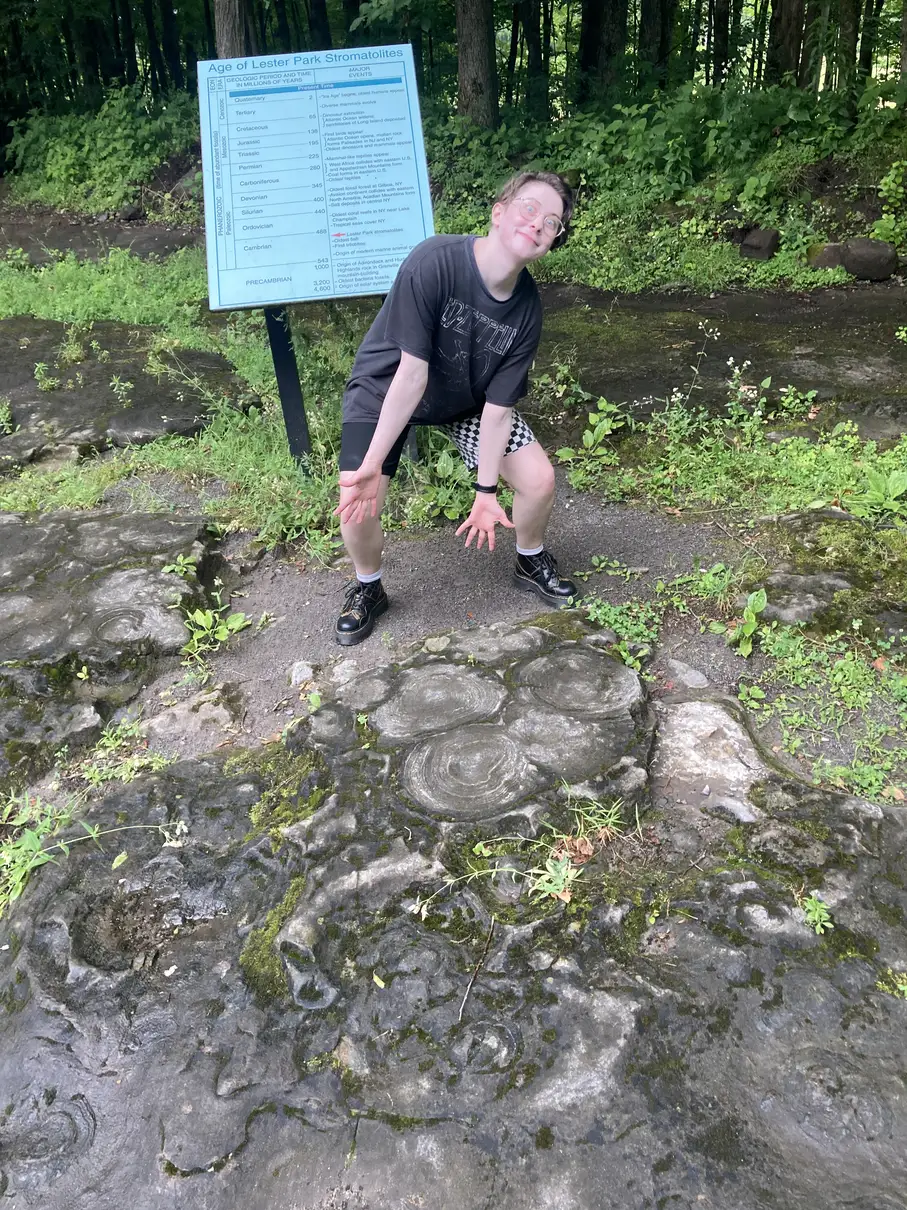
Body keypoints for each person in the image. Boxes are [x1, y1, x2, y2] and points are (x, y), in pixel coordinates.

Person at [333, 170, 577, 646]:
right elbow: (411, 374)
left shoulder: (527, 308)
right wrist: (372, 463)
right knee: (359, 507)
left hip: (465, 400)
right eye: (529, 208)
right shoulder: (435, 261)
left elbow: (498, 410)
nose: (538, 224)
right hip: (388, 389)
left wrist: (487, 490)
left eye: (552, 222)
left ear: (551, 241)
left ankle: (530, 558)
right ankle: (367, 587)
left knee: (539, 480)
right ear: (499, 212)